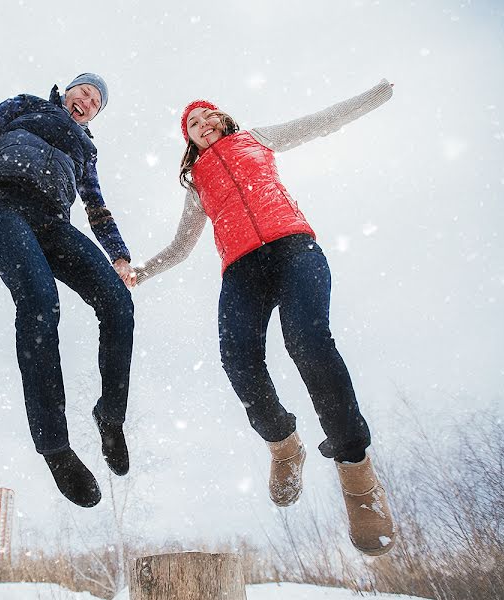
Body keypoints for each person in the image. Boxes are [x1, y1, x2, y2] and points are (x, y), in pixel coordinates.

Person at [133, 79, 397, 555]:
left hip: (295, 249)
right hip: (241, 270)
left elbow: (323, 122)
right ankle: (283, 444)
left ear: (223, 119)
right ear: (188, 140)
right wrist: (139, 273)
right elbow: (180, 247)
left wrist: (374, 96)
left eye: (209, 115)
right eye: (193, 122)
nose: (204, 123)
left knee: (308, 342)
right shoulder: (197, 186)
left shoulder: (258, 138)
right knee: (237, 357)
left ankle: (358, 476)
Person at [0, 73, 136, 508]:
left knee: (118, 304)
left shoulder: (86, 149)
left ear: (94, 115)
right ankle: (55, 445)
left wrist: (119, 256)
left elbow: (96, 206)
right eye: (82, 92)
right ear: (66, 91)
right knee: (39, 298)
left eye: (95, 101)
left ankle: (110, 416)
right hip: (3, 208)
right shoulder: (27, 104)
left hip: (54, 224)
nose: (86, 101)